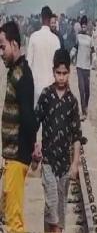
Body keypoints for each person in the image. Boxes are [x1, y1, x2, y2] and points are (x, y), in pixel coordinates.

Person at [34, 49, 82, 233]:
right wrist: (35, 146)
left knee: (60, 211)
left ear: (69, 72)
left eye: (64, 73)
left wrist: (75, 163)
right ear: (53, 72)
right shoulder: (46, 96)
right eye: (58, 73)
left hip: (64, 164)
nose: (61, 77)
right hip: (48, 162)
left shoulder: (72, 102)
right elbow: (35, 122)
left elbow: (77, 135)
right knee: (51, 204)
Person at [0, 21, 37, 233]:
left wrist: (32, 149)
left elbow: (28, 117)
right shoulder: (16, 71)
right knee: (13, 215)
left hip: (17, 157)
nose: (1, 52)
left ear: (14, 44)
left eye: (3, 46)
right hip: (13, 157)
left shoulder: (21, 75)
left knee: (14, 222)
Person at [27, 6, 61, 106]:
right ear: (50, 19)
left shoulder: (34, 37)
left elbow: (28, 64)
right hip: (51, 86)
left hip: (36, 86)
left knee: (37, 117)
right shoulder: (55, 40)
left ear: (41, 18)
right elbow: (58, 64)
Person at [71, 16, 94, 121]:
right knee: (81, 89)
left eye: (85, 26)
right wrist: (70, 56)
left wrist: (95, 60)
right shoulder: (78, 37)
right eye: (82, 25)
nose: (84, 27)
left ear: (87, 26)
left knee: (87, 90)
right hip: (79, 66)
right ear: (81, 26)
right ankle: (83, 111)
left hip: (87, 67)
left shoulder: (90, 37)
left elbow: (93, 50)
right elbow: (75, 47)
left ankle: (86, 106)